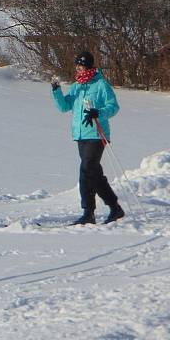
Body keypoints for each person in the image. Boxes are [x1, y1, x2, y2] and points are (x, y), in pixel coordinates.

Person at [51, 51, 125, 225]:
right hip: (80, 135)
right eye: (76, 65)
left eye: (81, 65)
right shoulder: (77, 86)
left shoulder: (100, 85)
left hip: (97, 135)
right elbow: (64, 107)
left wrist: (98, 113)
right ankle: (115, 207)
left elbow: (114, 107)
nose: (78, 68)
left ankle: (88, 213)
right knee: (94, 173)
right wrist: (56, 91)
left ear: (89, 66)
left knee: (86, 170)